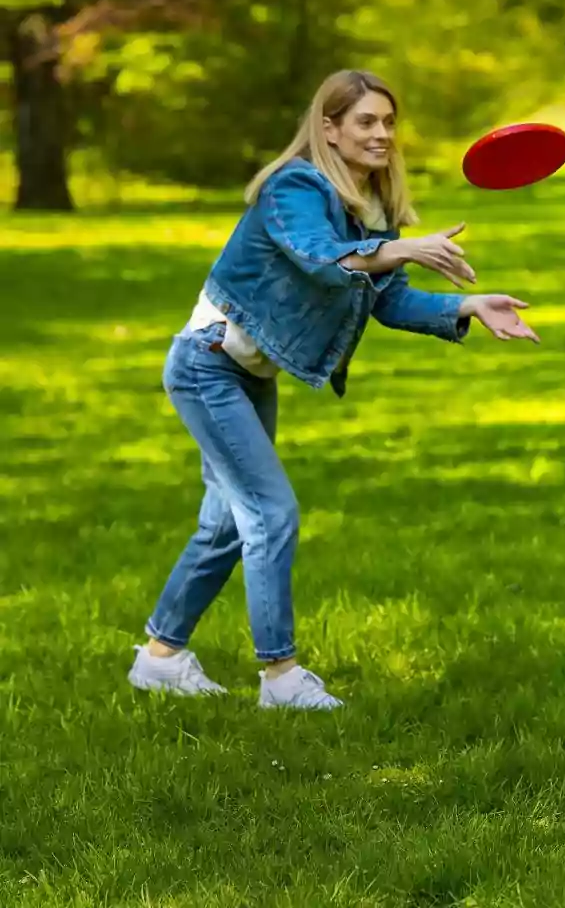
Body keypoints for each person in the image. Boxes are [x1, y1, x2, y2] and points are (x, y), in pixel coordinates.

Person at [128, 70, 539, 710]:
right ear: (329, 129)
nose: (382, 134)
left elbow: (388, 299)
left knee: (226, 524)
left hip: (247, 371)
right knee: (269, 514)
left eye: (388, 122)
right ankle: (280, 677)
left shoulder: (367, 206)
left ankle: (160, 659)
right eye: (366, 122)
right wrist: (402, 246)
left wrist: (470, 306)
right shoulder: (297, 186)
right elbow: (322, 257)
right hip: (208, 364)